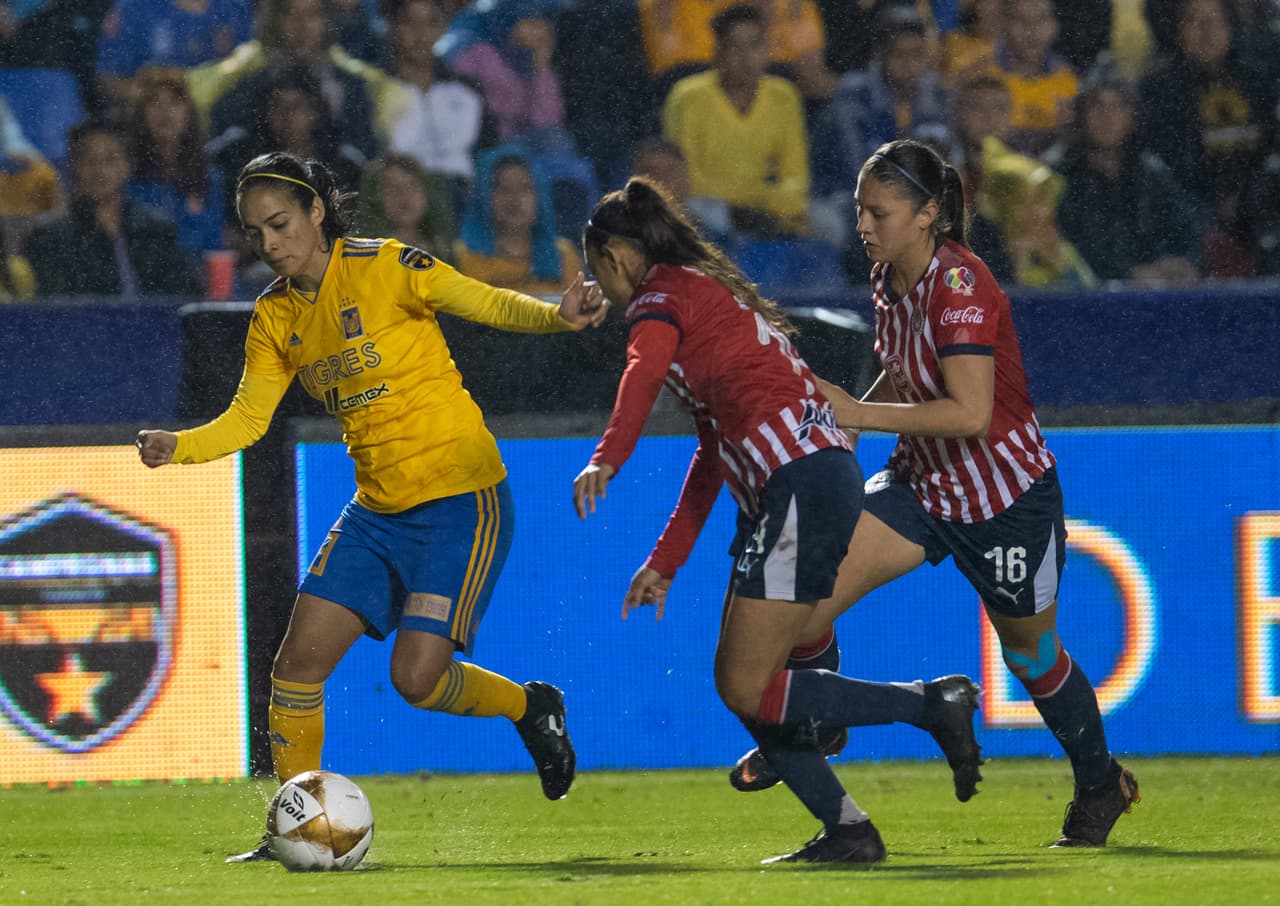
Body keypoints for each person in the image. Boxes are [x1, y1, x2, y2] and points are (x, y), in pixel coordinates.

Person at [135, 151, 608, 861]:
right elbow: (247, 419)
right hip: (376, 513)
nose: (269, 243)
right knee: (295, 666)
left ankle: (530, 706)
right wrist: (182, 445)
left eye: (281, 223)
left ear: (316, 212)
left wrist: (556, 314)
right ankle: (291, 827)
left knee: (416, 680)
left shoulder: (385, 264)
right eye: (255, 231)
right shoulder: (274, 316)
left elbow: (479, 300)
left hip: (459, 498)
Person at [732, 138, 1140, 849]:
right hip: (922, 486)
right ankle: (816, 721)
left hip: (1004, 500)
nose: (862, 225)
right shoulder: (889, 275)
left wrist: (853, 413)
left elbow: (970, 413)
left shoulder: (961, 288)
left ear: (927, 214)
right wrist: (851, 424)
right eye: (860, 210)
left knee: (1033, 658)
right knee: (797, 616)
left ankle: (1101, 781)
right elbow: (902, 368)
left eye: (878, 212)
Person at [572, 175, 985, 864]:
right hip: (808, 479)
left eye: (598, 271)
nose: (605, 290)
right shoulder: (708, 299)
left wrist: (607, 456)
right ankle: (846, 823)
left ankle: (926, 706)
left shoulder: (660, 298)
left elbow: (640, 372)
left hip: (798, 481)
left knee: (745, 682)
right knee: (756, 682)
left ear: (615, 256)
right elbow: (712, 455)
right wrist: (665, 562)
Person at [661, 3, 811, 238]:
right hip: (710, 207)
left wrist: (763, 202)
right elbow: (685, 179)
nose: (746, 57)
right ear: (717, 50)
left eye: (755, 45)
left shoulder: (785, 95)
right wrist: (751, 200)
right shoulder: (688, 96)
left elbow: (796, 177)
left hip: (765, 210)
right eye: (735, 47)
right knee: (697, 213)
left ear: (768, 49)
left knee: (829, 222)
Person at [25, 121, 201, 297]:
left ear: (127, 166)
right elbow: (56, 307)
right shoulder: (51, 237)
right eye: (89, 161)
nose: (100, 171)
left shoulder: (155, 230)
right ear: (74, 167)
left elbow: (185, 294)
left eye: (111, 159)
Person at [453, 145, 581, 296]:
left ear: (541, 196)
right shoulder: (462, 256)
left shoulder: (564, 255)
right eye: (502, 188)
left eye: (524, 187)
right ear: (482, 196)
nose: (514, 198)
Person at [355, 152, 456, 261]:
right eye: (391, 187)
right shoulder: (359, 252)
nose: (404, 194)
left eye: (412, 185)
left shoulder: (444, 249)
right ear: (374, 196)